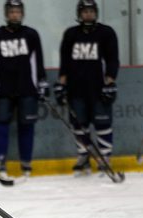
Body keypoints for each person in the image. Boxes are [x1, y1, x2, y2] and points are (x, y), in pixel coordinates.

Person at [0, 0, 48, 181]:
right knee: (0, 125)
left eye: (18, 11)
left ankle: (26, 163)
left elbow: (37, 60)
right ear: (6, 14)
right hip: (4, 90)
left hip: (27, 89)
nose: (14, 15)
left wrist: (41, 82)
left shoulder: (31, 35)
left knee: (26, 126)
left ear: (22, 14)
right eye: (11, 11)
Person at [54, 0, 119, 174]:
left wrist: (110, 82)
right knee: (79, 125)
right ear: (79, 13)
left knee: (102, 124)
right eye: (85, 11)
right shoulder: (71, 34)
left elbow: (113, 60)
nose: (88, 14)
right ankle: (84, 156)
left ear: (96, 12)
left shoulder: (106, 33)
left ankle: (104, 158)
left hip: (99, 89)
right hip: (76, 90)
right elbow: (65, 62)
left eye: (91, 11)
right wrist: (61, 84)